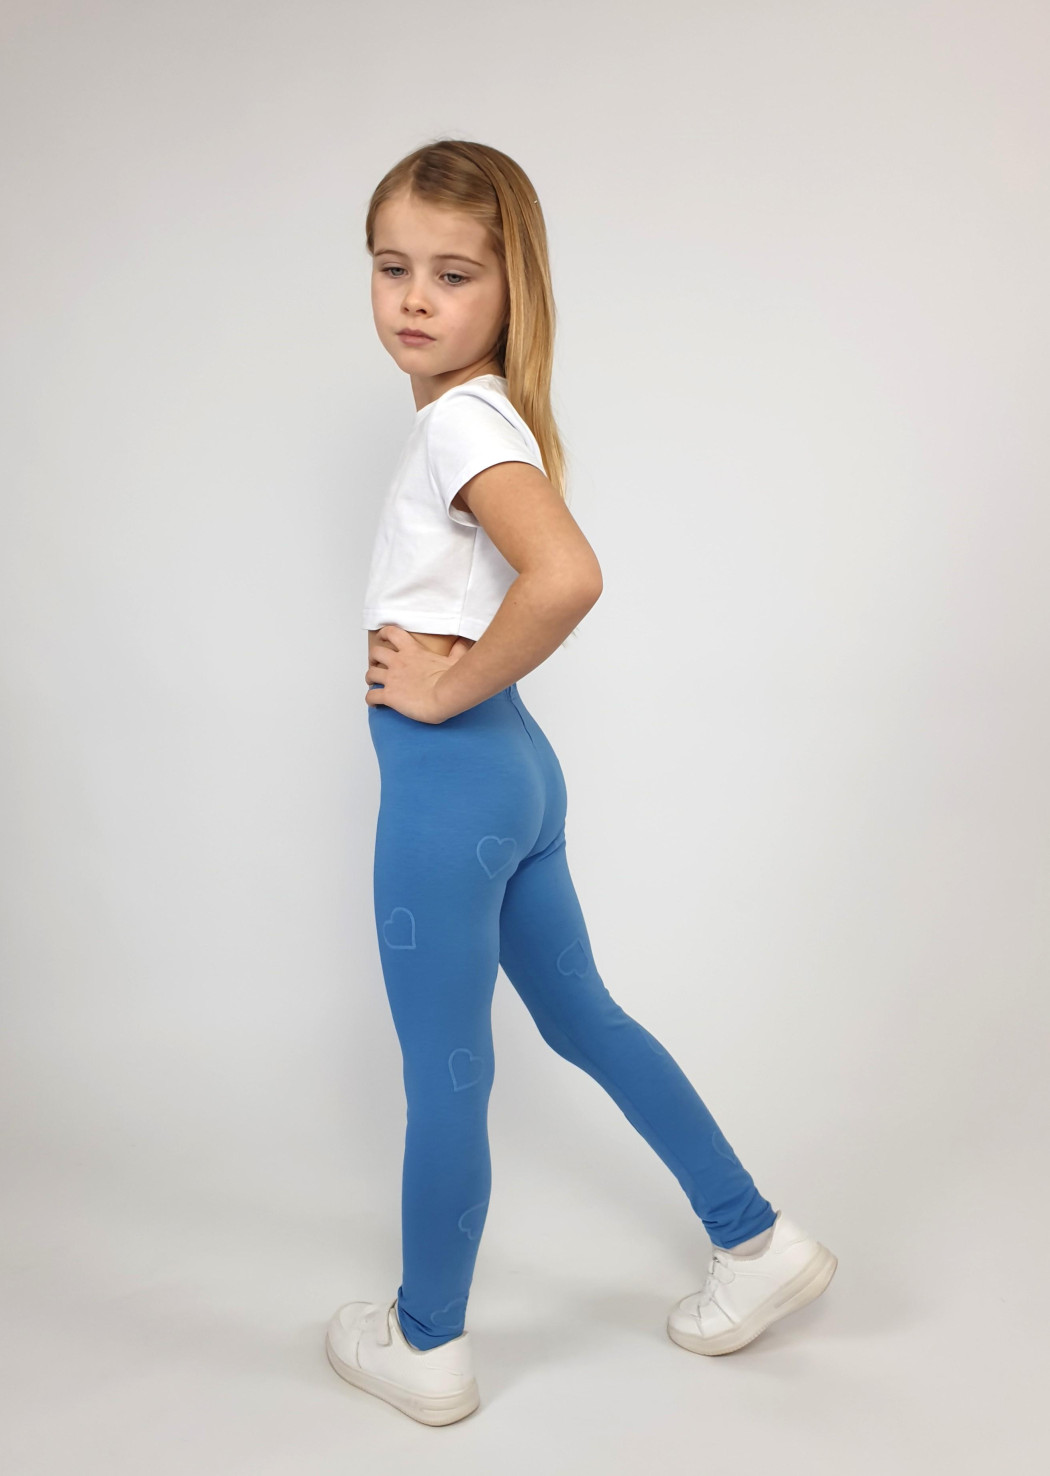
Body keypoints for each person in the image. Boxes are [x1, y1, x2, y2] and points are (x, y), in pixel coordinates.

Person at [325, 139, 836, 1427]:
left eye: (454, 274)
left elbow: (568, 576)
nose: (416, 299)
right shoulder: (490, 414)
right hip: (514, 773)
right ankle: (755, 1239)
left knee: (447, 1072)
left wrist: (440, 688)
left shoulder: (459, 422)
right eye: (393, 267)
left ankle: (426, 1342)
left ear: (513, 289)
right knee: (584, 1020)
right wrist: (465, 694)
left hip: (452, 784)